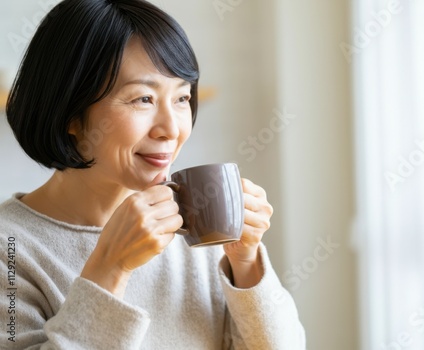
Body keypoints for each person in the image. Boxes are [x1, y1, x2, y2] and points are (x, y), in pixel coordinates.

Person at [0, 0, 306, 349]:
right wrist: (110, 268)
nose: (171, 129)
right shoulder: (10, 248)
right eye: (143, 99)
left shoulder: (196, 225)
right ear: (69, 112)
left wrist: (246, 262)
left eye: (181, 98)